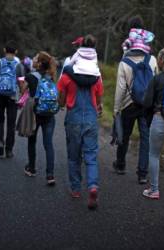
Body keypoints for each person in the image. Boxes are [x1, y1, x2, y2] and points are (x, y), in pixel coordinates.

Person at [57, 34, 103, 210]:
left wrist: (62, 102)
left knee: (74, 156)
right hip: (91, 118)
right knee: (91, 157)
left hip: (73, 119)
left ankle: (76, 189)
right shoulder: (96, 75)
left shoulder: (68, 74)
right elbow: (99, 99)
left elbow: (61, 101)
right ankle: (92, 186)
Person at [112, 17, 158, 184]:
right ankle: (143, 174)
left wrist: (116, 109)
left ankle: (121, 164)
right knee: (146, 138)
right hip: (147, 105)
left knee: (124, 135)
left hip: (128, 104)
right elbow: (155, 83)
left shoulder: (124, 62)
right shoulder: (152, 60)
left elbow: (120, 89)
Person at [23, 51, 58, 185]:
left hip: (35, 113)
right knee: (48, 144)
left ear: (39, 63)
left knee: (32, 140)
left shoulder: (31, 76)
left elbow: (23, 91)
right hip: (49, 115)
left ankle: (31, 168)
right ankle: (50, 175)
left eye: (36, 58)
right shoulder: (52, 76)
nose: (34, 59)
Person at [142, 47, 164, 199]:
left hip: (159, 118)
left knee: (154, 154)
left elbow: (147, 102)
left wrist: (148, 118)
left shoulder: (157, 78)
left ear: (161, 60)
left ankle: (154, 189)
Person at [0, 40, 24, 158]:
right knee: (11, 124)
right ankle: (9, 150)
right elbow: (21, 84)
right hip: (12, 96)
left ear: (4, 50)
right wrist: (22, 95)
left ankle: (0, 141)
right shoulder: (19, 66)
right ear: (16, 52)